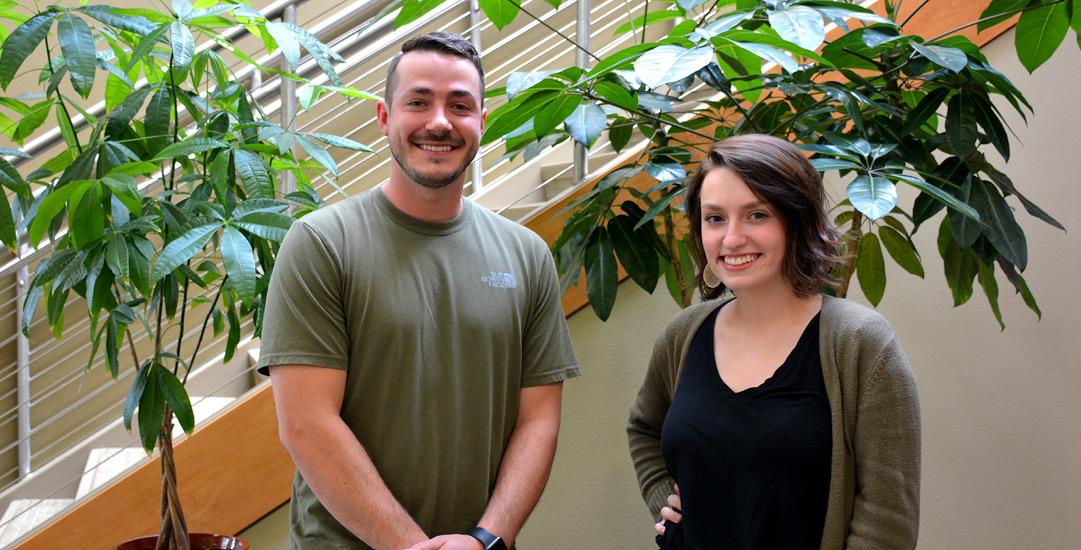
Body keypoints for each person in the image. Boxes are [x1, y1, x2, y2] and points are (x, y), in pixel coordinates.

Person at [257, 31, 580, 550]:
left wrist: (487, 539)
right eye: (418, 102)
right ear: (385, 118)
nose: (439, 122)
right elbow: (306, 425)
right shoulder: (321, 243)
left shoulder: (527, 255)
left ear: (481, 122)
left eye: (460, 105)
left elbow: (539, 420)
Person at [627, 134, 920, 549]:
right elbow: (643, 428)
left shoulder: (861, 345)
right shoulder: (683, 334)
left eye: (756, 215)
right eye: (714, 218)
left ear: (795, 218)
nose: (731, 238)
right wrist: (663, 500)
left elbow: (888, 524)